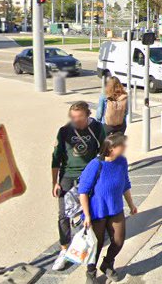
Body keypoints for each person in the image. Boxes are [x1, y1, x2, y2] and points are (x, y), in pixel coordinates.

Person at [50, 102, 106, 272]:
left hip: (88, 175)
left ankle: (86, 245)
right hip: (67, 176)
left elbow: (103, 152)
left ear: (88, 115)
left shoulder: (97, 128)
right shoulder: (64, 131)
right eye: (73, 117)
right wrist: (55, 182)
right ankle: (65, 249)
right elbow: (56, 158)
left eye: (79, 117)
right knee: (63, 215)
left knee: (89, 212)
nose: (76, 121)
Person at [78, 133, 138, 284]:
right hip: (97, 212)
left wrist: (131, 205)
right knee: (96, 245)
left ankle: (107, 264)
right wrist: (87, 215)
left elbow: (125, 184)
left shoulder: (122, 162)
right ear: (111, 148)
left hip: (116, 209)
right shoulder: (95, 165)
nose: (125, 148)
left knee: (119, 240)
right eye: (121, 145)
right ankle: (91, 273)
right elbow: (83, 191)